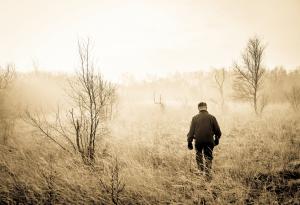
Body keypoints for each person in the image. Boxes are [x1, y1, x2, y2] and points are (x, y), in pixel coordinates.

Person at [187, 102, 222, 178]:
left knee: (199, 156)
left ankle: (200, 172)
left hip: (198, 141)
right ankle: (208, 174)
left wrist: (189, 142)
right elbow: (218, 132)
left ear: (198, 108)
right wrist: (216, 139)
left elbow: (191, 132)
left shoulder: (195, 118)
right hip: (209, 141)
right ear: (206, 108)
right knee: (208, 157)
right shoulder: (212, 117)